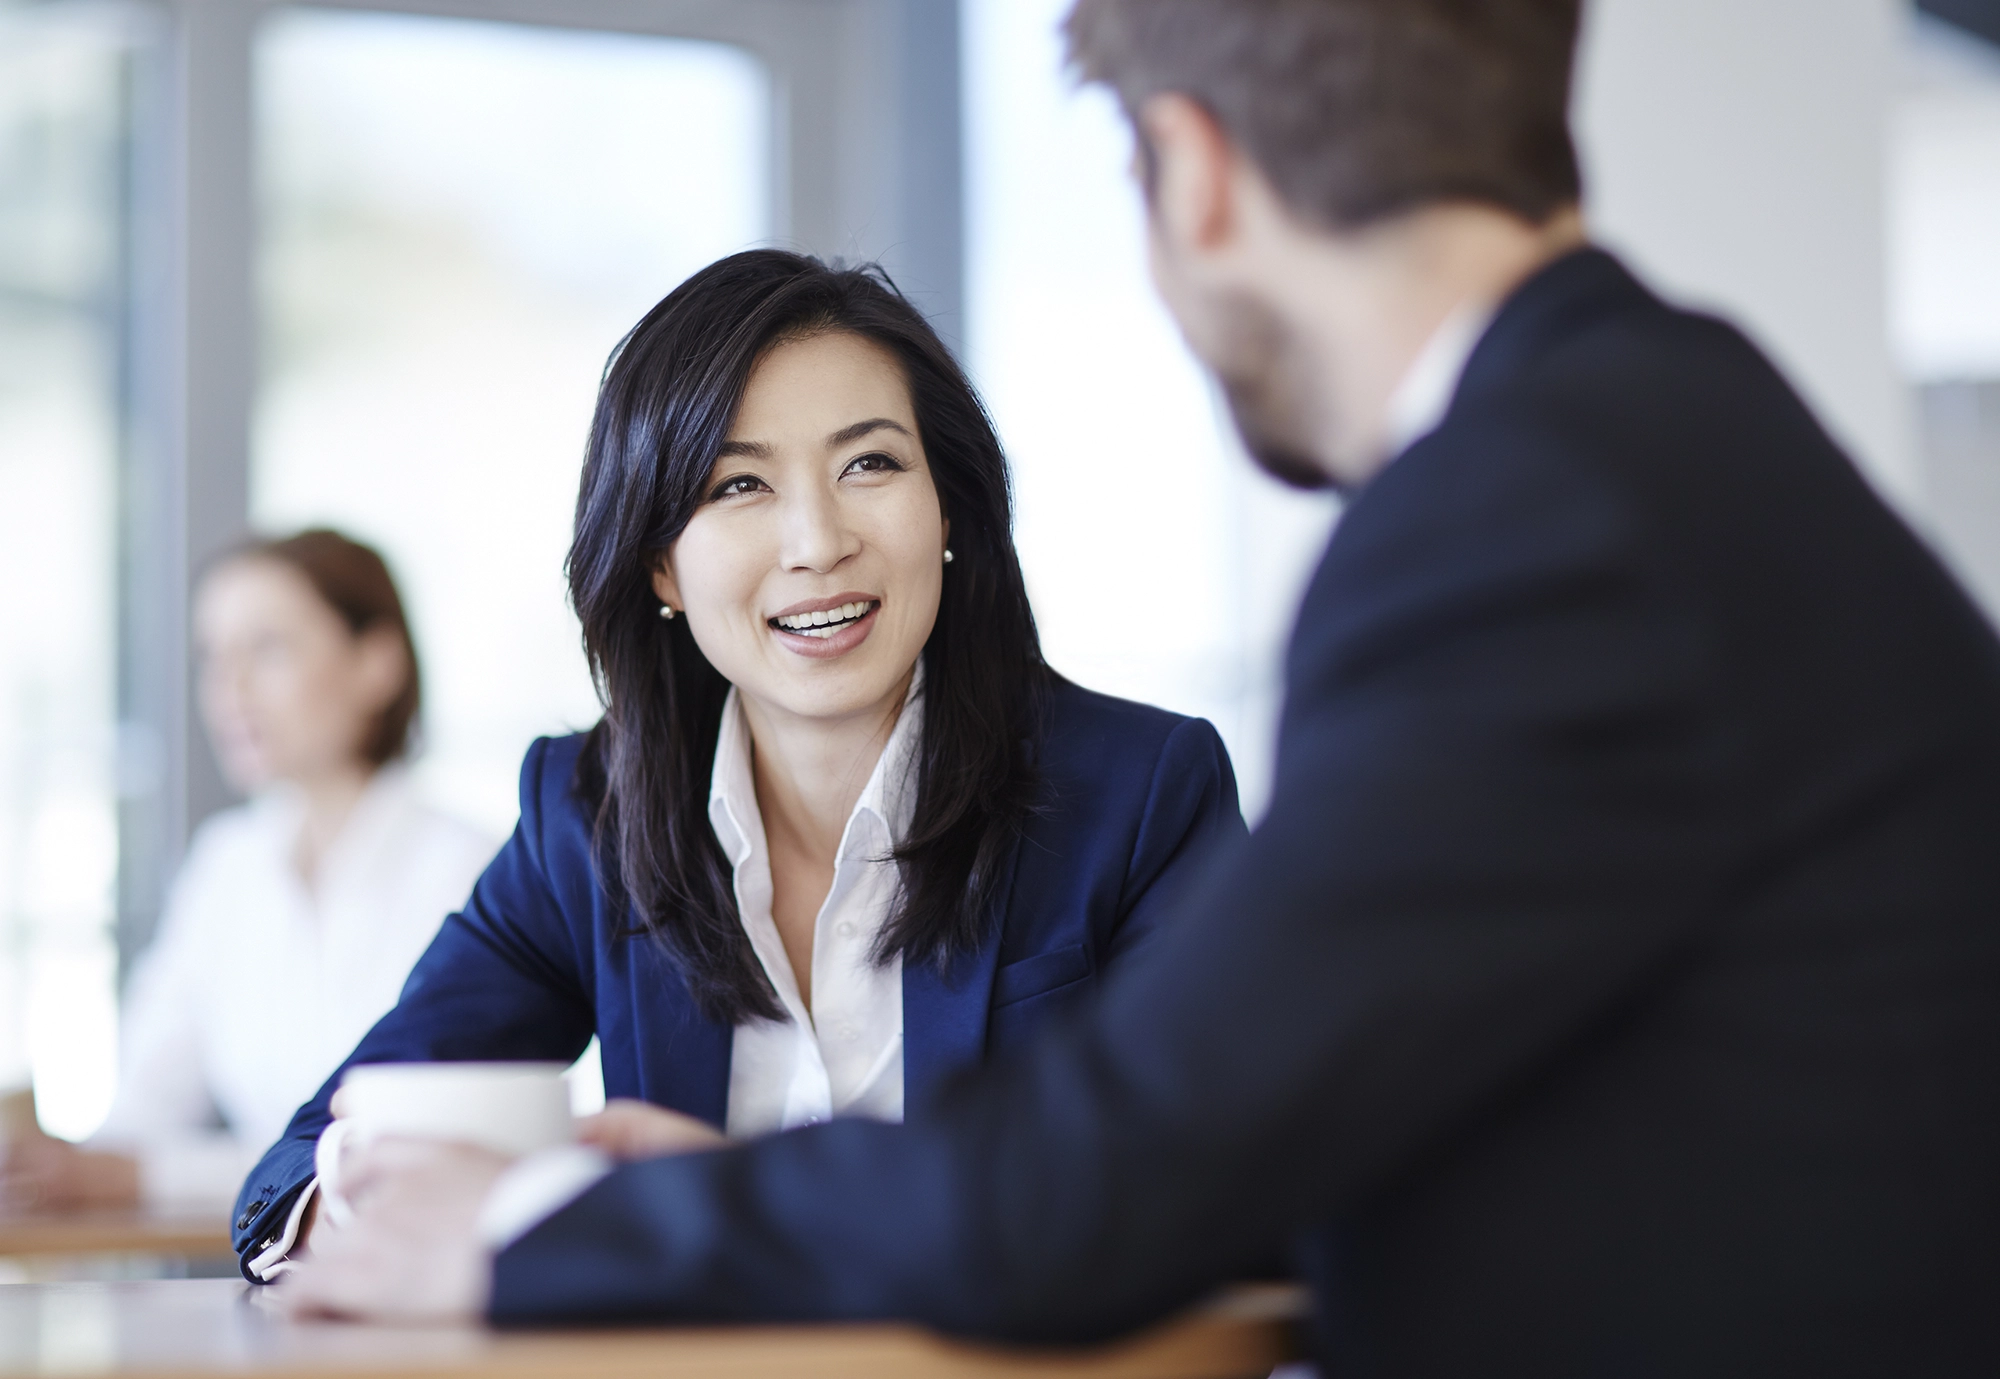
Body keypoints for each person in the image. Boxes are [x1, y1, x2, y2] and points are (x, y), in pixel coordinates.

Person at [267, 0, 2000, 1371]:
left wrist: (532, 1221)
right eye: (732, 484)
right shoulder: (1653, 440)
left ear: (1196, 169)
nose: (812, 539)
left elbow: (1129, 1174)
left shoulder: (1521, 524)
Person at [229, 252, 1244, 1279]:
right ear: (660, 561)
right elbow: (294, 1174)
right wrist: (389, 1191)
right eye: (738, 483)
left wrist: (698, 1204)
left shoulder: (1141, 792)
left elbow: (1198, 1182)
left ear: (949, 511)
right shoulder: (586, 819)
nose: (815, 541)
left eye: (870, 464)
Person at [0, 530, 496, 1213]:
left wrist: (151, 1175)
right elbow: (145, 1108)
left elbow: (399, 1146)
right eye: (213, 656)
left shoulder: (468, 867)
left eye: (267, 648)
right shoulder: (227, 863)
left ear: (376, 662)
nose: (228, 689)